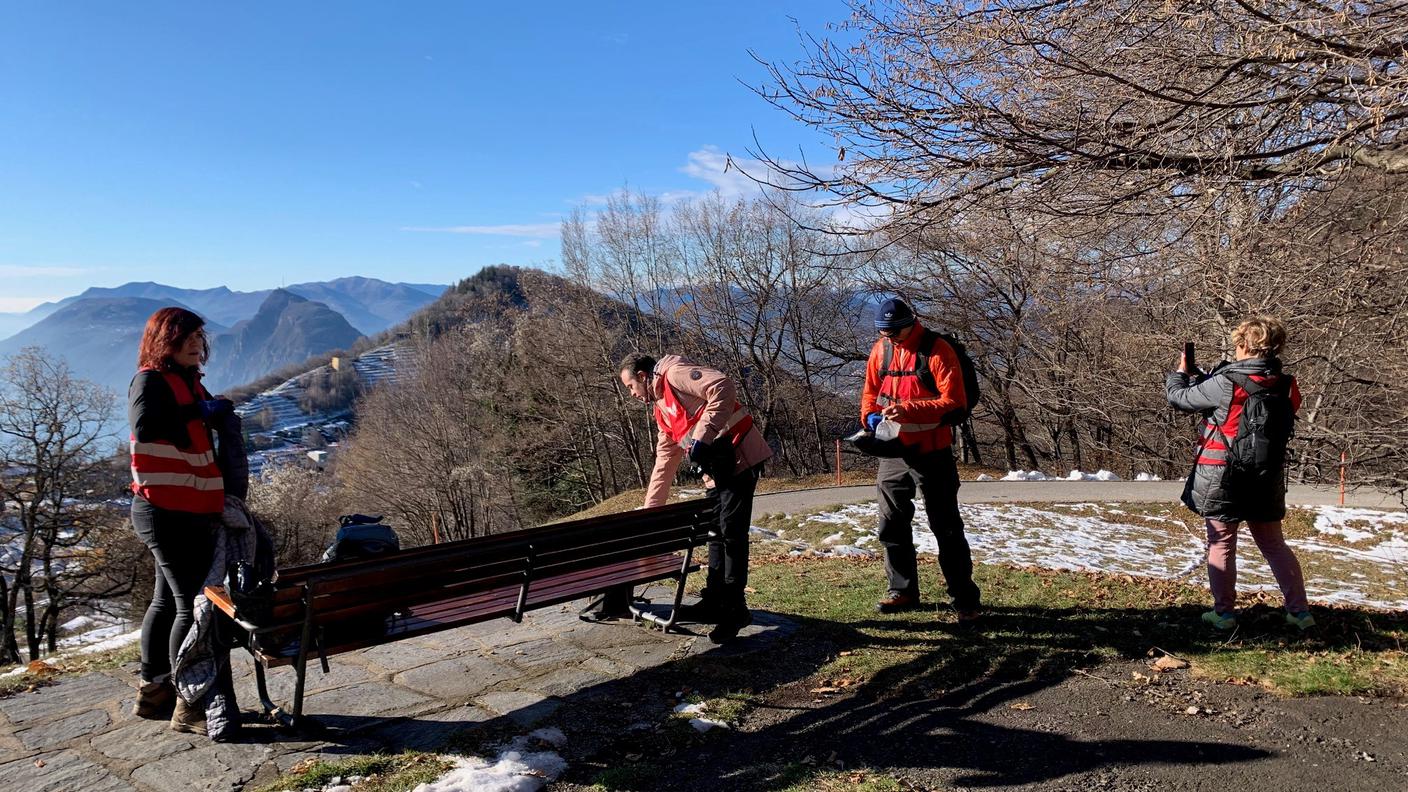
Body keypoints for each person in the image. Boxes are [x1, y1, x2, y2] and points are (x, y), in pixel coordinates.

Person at [1166, 315, 1314, 632]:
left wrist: (1180, 375)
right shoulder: (1287, 384)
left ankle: (1224, 614)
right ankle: (1300, 612)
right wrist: (1207, 378)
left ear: (1244, 345)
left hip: (1222, 474)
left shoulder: (1225, 382)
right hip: (1266, 475)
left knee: (1221, 544)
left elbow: (1179, 398)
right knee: (1274, 545)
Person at [617, 353, 772, 643]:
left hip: (740, 457)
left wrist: (702, 436)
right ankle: (714, 601)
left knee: (731, 535)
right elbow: (665, 459)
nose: (632, 394)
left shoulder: (674, 374)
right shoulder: (661, 407)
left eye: (629, 386)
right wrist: (653, 511)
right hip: (718, 471)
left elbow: (723, 387)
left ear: (641, 375)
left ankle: (735, 609)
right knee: (716, 534)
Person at [128, 307, 232, 733]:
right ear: (163, 340)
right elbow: (146, 425)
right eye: (185, 336)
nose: (195, 343)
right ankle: (187, 703)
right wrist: (201, 414)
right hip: (166, 511)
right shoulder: (150, 380)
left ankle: (153, 692)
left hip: (182, 508)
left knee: (166, 601)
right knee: (191, 605)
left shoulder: (188, 382)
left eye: (198, 336)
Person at [860, 297, 981, 621]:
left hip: (932, 451)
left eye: (894, 333)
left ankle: (964, 600)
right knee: (891, 524)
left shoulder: (937, 350)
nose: (888, 339)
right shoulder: (881, 350)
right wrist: (869, 417)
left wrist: (909, 409)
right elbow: (871, 391)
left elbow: (954, 401)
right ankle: (902, 591)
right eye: (883, 333)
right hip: (893, 452)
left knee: (946, 527)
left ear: (909, 325)